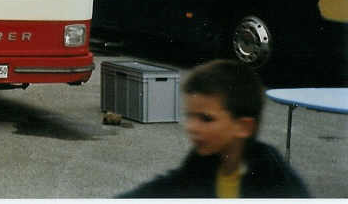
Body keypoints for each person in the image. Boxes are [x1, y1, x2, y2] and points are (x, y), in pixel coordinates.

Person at [119, 59, 309, 198]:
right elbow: (164, 187)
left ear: (243, 127)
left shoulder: (274, 180)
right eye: (190, 116)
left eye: (206, 119)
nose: (191, 127)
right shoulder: (201, 163)